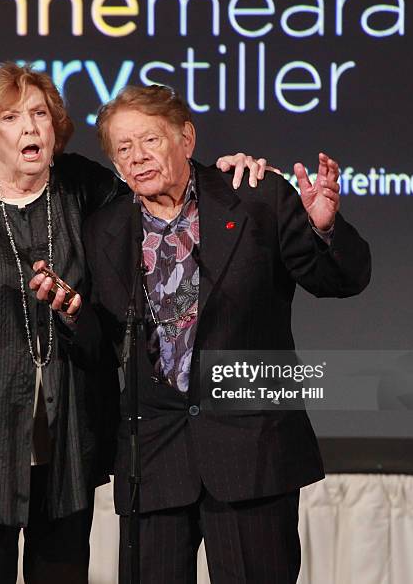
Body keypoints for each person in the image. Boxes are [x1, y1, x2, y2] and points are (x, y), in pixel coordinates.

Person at [0, 63, 268, 583]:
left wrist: (220, 174)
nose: (30, 128)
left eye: (40, 114)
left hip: (68, 433)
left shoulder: (84, 186)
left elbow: (157, 185)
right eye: (13, 116)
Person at [31, 85, 371, 583]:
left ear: (186, 138)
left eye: (149, 140)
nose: (137, 158)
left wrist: (323, 229)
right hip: (155, 456)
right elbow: (104, 346)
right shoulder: (104, 229)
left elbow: (340, 280)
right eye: (123, 149)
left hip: (251, 448)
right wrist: (73, 315)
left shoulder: (253, 196)